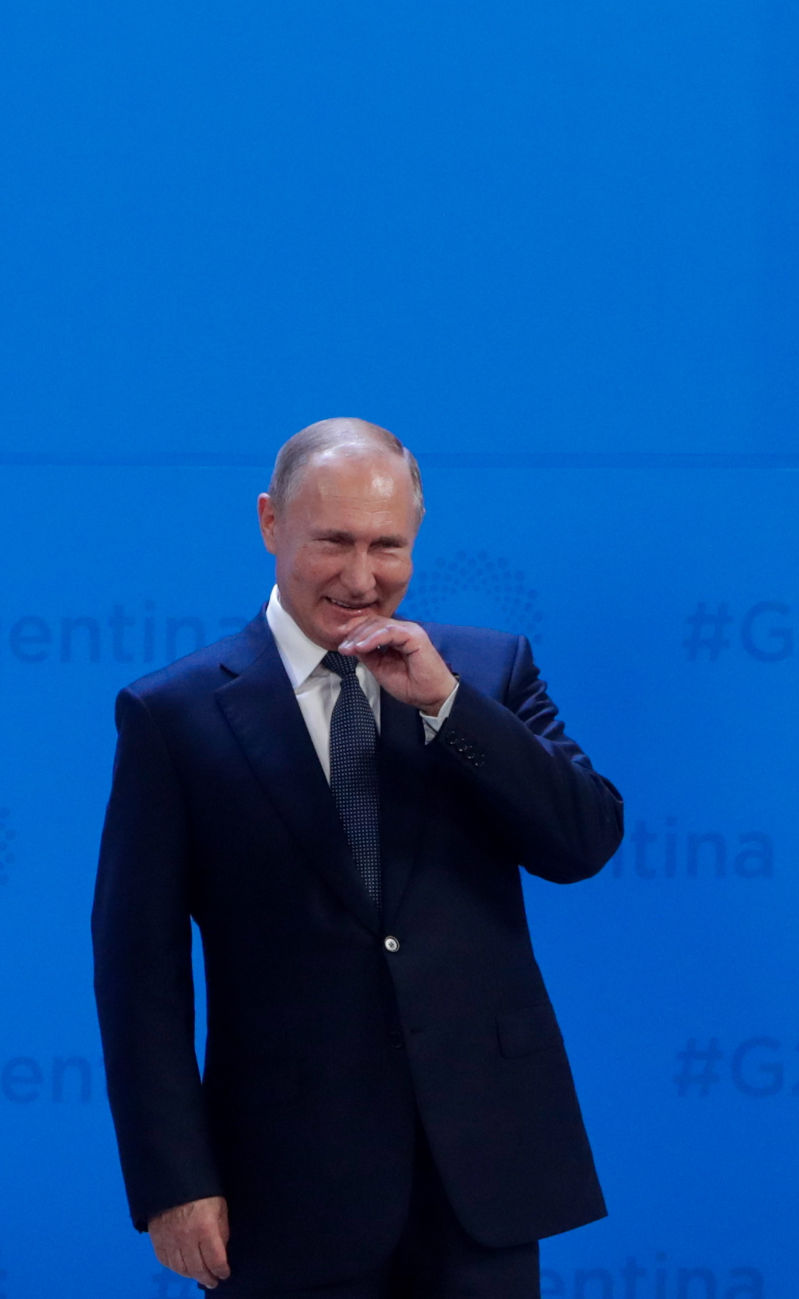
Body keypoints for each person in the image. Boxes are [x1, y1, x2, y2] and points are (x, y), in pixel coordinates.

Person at [92, 419, 625, 1297]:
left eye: (388, 545)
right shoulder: (172, 716)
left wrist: (448, 708)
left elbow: (582, 841)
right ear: (271, 523)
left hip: (482, 1175)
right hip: (284, 1185)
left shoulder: (486, 673)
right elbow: (137, 970)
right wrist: (174, 1181)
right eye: (332, 541)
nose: (360, 575)